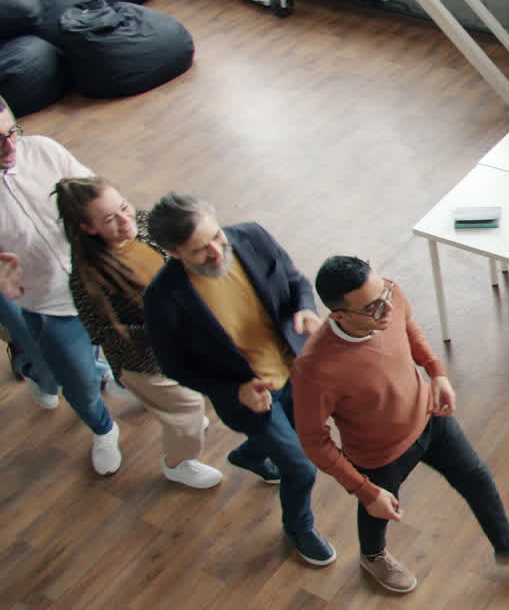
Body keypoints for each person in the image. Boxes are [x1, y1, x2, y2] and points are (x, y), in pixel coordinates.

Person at [292, 255, 509, 593]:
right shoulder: (315, 368)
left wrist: (436, 372)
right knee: (377, 510)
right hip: (379, 454)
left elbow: (409, 327)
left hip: (430, 417)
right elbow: (313, 440)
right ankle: (372, 556)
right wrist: (364, 490)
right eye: (372, 307)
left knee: (478, 479)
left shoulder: (389, 295)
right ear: (338, 316)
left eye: (384, 293)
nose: (387, 308)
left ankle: (507, 548)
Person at [142, 192, 335, 565]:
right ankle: (299, 528)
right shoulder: (162, 300)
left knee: (299, 436)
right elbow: (174, 365)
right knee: (301, 467)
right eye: (200, 250)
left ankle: (250, 454)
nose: (216, 251)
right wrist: (234, 390)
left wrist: (305, 309)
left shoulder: (253, 237)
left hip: (295, 371)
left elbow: (296, 281)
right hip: (250, 400)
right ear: (173, 252)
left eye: (216, 236)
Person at [55, 177, 223, 489]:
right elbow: (100, 332)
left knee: (190, 397)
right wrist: (167, 324)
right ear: (88, 228)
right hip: (144, 362)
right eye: (110, 219)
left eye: (124, 207)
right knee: (188, 408)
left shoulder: (144, 223)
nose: (125, 220)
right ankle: (178, 464)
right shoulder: (87, 278)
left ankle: (176, 415)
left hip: (185, 340)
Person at [0, 94, 122, 474]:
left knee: (106, 347)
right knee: (77, 382)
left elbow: (91, 193)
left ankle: (96, 367)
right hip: (42, 303)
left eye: (12, 133)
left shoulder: (43, 151)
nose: (9, 147)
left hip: (92, 282)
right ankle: (103, 428)